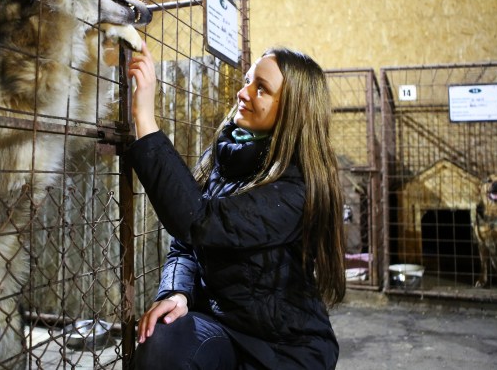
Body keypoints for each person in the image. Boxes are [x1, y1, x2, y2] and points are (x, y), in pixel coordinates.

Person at [126, 43, 346, 369]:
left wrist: (144, 118)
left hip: (283, 347)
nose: (243, 93)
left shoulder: (297, 186)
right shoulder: (226, 154)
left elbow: (198, 222)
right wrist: (177, 293)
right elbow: (187, 245)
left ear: (292, 110)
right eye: (247, 81)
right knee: (163, 339)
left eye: (262, 88)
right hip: (221, 325)